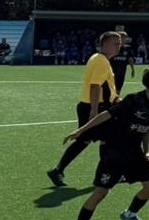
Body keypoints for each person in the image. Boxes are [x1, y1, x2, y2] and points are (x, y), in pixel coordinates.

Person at [61, 66, 149, 220]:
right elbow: (107, 114)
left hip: (134, 151)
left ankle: (130, 214)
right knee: (101, 193)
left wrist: (147, 151)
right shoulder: (133, 100)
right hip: (114, 151)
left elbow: (147, 128)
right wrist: (81, 130)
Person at [47, 31, 124, 187]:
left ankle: (59, 169)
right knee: (108, 139)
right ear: (104, 44)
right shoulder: (102, 62)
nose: (118, 46)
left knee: (86, 140)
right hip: (96, 107)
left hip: (91, 105)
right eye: (115, 43)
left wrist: (116, 99)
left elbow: (104, 86)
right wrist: (94, 111)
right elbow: (95, 86)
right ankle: (107, 174)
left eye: (120, 43)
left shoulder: (98, 58)